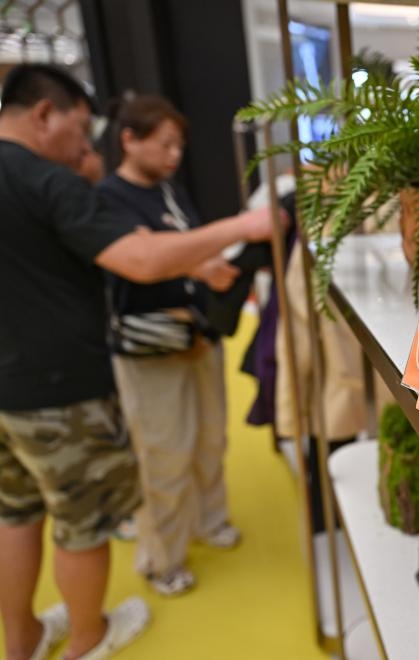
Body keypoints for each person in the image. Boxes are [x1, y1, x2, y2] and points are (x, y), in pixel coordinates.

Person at [0, 64, 275, 660]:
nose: (84, 143)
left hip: (21, 380)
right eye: (80, 126)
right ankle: (91, 635)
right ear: (45, 114)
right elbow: (142, 262)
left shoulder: (144, 191)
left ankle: (23, 638)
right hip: (70, 382)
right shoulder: (59, 185)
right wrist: (242, 226)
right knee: (90, 518)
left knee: (17, 515)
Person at [97, 94, 244, 597]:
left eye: (179, 144)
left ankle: (210, 519)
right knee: (163, 451)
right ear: (129, 140)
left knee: (210, 436)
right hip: (149, 344)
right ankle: (163, 558)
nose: (175, 154)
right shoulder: (108, 198)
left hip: (198, 334)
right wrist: (197, 265)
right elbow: (142, 264)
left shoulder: (171, 192)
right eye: (165, 144)